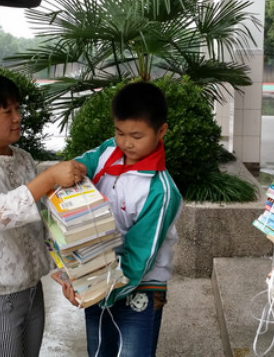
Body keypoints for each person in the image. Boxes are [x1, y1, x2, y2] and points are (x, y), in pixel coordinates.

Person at [0, 74, 86, 356]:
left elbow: (43, 220)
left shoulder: (22, 158)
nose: (17, 117)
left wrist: (68, 269)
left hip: (31, 289)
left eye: (17, 108)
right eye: (5, 111)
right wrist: (48, 178)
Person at [58, 81, 183, 357]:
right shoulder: (108, 152)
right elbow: (79, 167)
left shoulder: (160, 191)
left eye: (136, 136)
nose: (126, 143)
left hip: (140, 285)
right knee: (99, 350)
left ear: (161, 131)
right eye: (119, 132)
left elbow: (139, 257)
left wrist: (97, 291)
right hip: (98, 274)